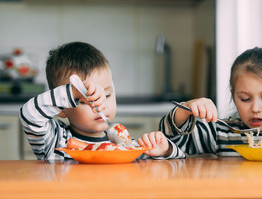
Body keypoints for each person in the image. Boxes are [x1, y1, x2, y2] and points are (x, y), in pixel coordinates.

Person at [19, 41, 185, 160]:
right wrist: (74, 92)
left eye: (106, 95)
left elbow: (178, 159)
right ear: (62, 108)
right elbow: (29, 114)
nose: (100, 106)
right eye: (84, 100)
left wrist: (166, 150)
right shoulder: (54, 140)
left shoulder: (124, 146)